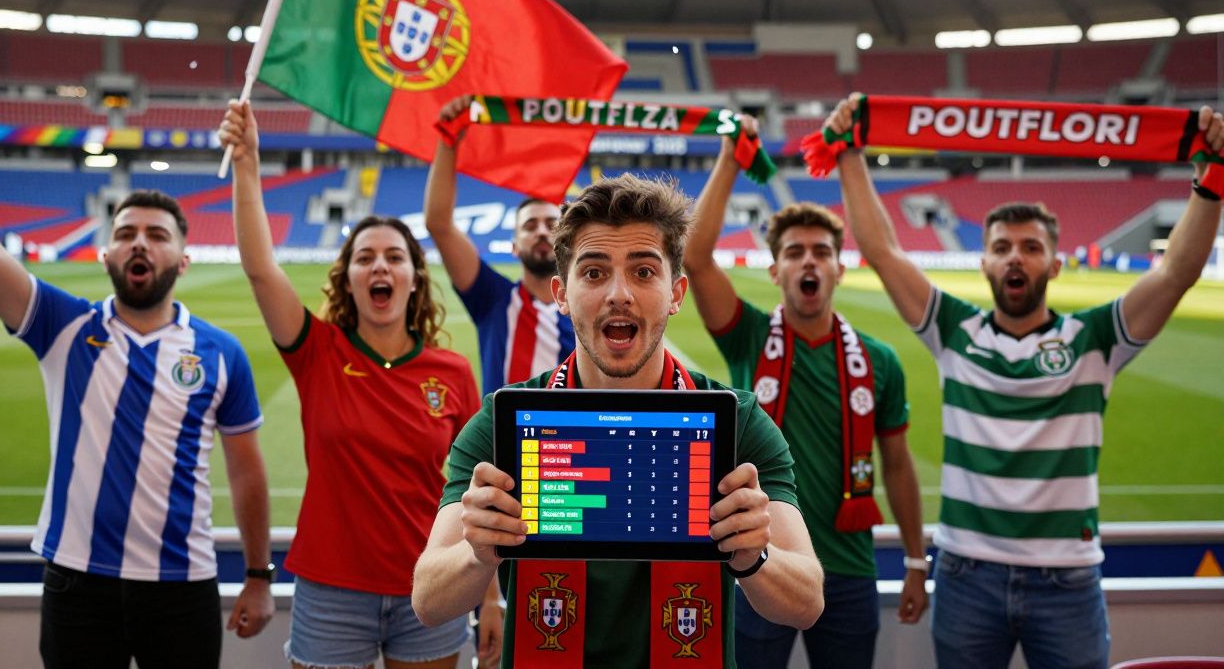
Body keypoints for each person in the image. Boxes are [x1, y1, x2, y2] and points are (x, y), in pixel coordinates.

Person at [827, 93, 1224, 669]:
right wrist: (849, 151)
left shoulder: (1094, 340)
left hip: (1067, 580)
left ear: (1055, 264)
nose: (1016, 259)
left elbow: (1177, 272)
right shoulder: (954, 330)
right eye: (1002, 248)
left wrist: (1211, 178)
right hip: (967, 574)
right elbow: (883, 252)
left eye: (1031, 248)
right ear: (984, 263)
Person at [412, 174, 826, 668]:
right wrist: (477, 554)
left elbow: (807, 603)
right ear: (561, 294)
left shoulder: (737, 421)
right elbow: (428, 601)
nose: (619, 294)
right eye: (593, 273)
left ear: (676, 293)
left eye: (644, 272)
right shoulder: (503, 422)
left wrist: (755, 555)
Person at [0, 90, 274, 669]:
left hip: (181, 585)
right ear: (107, 254)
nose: (140, 241)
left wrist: (260, 576)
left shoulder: (220, 352)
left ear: (183, 261)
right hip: (77, 583)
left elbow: (246, 471)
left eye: (158, 235)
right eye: (126, 233)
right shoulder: (64, 326)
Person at [218, 101, 501, 669]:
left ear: (412, 277)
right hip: (330, 589)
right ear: (347, 278)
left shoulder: (453, 372)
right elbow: (260, 269)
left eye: (395, 257)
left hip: (431, 586)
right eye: (365, 257)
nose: (380, 267)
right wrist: (248, 164)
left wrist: (489, 593)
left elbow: (475, 491)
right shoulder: (317, 351)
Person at [685, 118, 928, 669]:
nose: (809, 261)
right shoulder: (748, 335)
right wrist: (728, 157)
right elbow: (696, 258)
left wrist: (916, 559)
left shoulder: (880, 361)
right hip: (759, 562)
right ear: (775, 270)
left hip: (849, 569)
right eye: (795, 252)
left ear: (839, 268)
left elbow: (897, 464)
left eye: (821, 251)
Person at [424, 96, 574, 395]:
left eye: (551, 224)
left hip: (572, 442)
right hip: (500, 441)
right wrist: (449, 141)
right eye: (530, 226)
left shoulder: (587, 307)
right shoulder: (494, 299)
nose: (542, 232)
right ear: (514, 246)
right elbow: (439, 224)